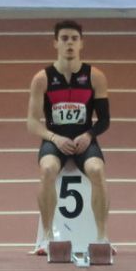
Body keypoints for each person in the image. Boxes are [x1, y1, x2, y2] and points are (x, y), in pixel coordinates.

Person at [27, 19, 110, 254]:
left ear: (81, 43)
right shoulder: (42, 79)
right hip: (55, 139)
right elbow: (32, 122)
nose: (69, 44)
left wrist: (89, 135)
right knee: (47, 170)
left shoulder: (95, 77)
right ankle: (46, 238)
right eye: (64, 39)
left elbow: (104, 120)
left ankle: (102, 238)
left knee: (97, 170)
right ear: (56, 43)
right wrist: (54, 138)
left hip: (85, 139)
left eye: (74, 39)